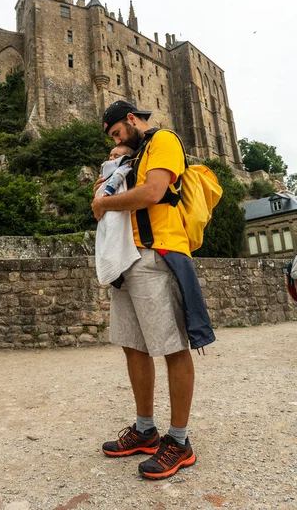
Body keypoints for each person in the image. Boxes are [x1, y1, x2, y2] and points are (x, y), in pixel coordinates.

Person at [91, 100, 215, 480]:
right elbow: (104, 202)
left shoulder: (163, 140)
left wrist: (104, 201)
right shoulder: (131, 156)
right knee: (133, 345)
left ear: (130, 120)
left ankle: (178, 441)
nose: (115, 140)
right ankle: (146, 430)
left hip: (157, 254)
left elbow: (153, 192)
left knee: (172, 347)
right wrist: (110, 177)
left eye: (116, 133)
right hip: (125, 258)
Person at [95, 144, 140, 287]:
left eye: (117, 156)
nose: (112, 158)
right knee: (105, 236)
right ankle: (113, 270)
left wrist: (105, 195)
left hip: (114, 208)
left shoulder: (123, 168)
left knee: (114, 234)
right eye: (111, 155)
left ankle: (116, 270)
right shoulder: (107, 171)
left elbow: (116, 180)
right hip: (106, 210)